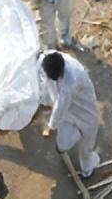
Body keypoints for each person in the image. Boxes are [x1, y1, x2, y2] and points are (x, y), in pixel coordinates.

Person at [38, 50, 100, 178]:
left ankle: (87, 167)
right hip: (67, 112)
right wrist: (44, 99)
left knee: (87, 142)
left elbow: (61, 106)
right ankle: (66, 142)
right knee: (63, 144)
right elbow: (46, 82)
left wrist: (51, 127)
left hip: (83, 109)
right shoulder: (47, 59)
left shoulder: (72, 81)